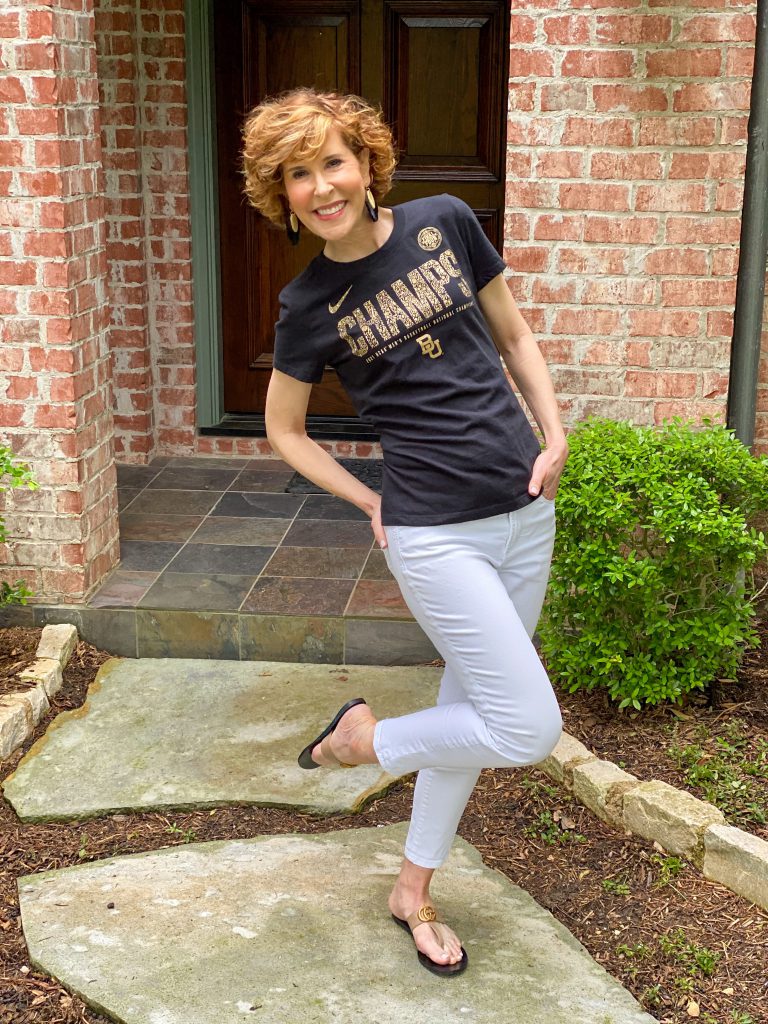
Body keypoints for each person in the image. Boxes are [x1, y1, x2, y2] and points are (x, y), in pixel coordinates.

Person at [242, 88, 568, 976]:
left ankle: (411, 893)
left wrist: (555, 433)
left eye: (332, 161)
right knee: (527, 727)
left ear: (366, 162)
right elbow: (284, 430)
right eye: (297, 174)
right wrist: (366, 498)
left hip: (524, 511)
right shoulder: (309, 302)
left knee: (475, 714)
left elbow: (514, 335)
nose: (320, 186)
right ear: (283, 195)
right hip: (435, 533)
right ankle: (365, 742)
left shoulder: (446, 221)